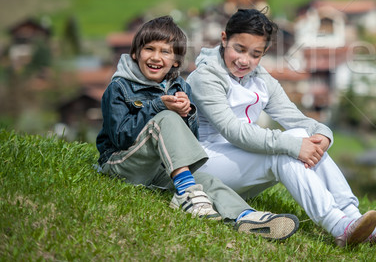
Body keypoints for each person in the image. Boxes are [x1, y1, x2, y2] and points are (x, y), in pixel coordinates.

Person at [186, 9, 376, 247]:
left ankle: (353, 217)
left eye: (255, 54)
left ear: (264, 53)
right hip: (206, 166)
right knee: (283, 152)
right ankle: (338, 226)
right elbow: (233, 132)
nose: (245, 60)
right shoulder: (205, 77)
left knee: (301, 135)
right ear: (224, 39)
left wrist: (322, 135)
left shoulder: (260, 78)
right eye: (239, 49)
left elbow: (297, 120)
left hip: (239, 163)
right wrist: (292, 145)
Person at [96, 15, 299, 241]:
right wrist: (157, 107)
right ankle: (188, 195)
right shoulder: (119, 86)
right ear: (135, 53)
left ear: (175, 61)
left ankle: (246, 216)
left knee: (206, 180)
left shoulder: (179, 86)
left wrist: (188, 114)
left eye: (165, 52)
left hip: (157, 169)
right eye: (149, 49)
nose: (156, 57)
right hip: (121, 164)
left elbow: (190, 144)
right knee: (166, 118)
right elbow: (120, 137)